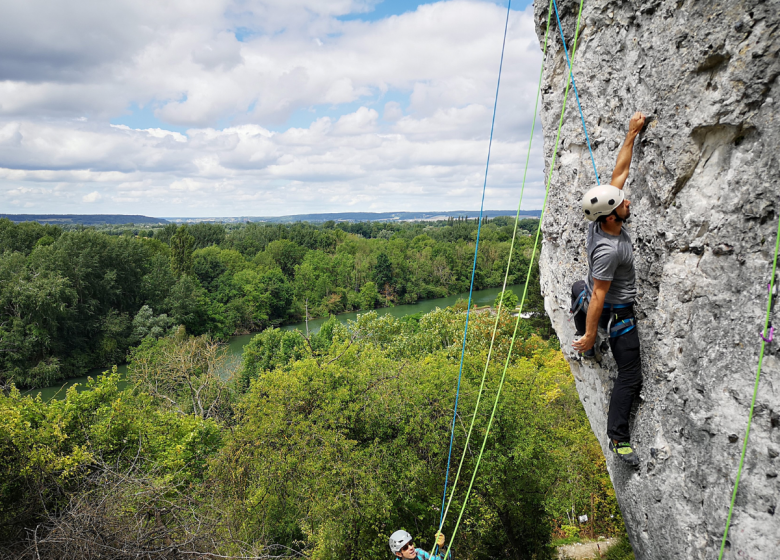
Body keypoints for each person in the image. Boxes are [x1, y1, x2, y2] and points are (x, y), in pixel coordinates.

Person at [571, 111, 647, 467]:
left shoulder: (602, 223)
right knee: (630, 375)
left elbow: (619, 173)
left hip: (590, 297)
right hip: (615, 314)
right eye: (623, 203)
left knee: (578, 289)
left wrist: (632, 133)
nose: (627, 200)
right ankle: (619, 438)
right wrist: (589, 338)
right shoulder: (609, 249)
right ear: (612, 216)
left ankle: (586, 331)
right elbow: (601, 296)